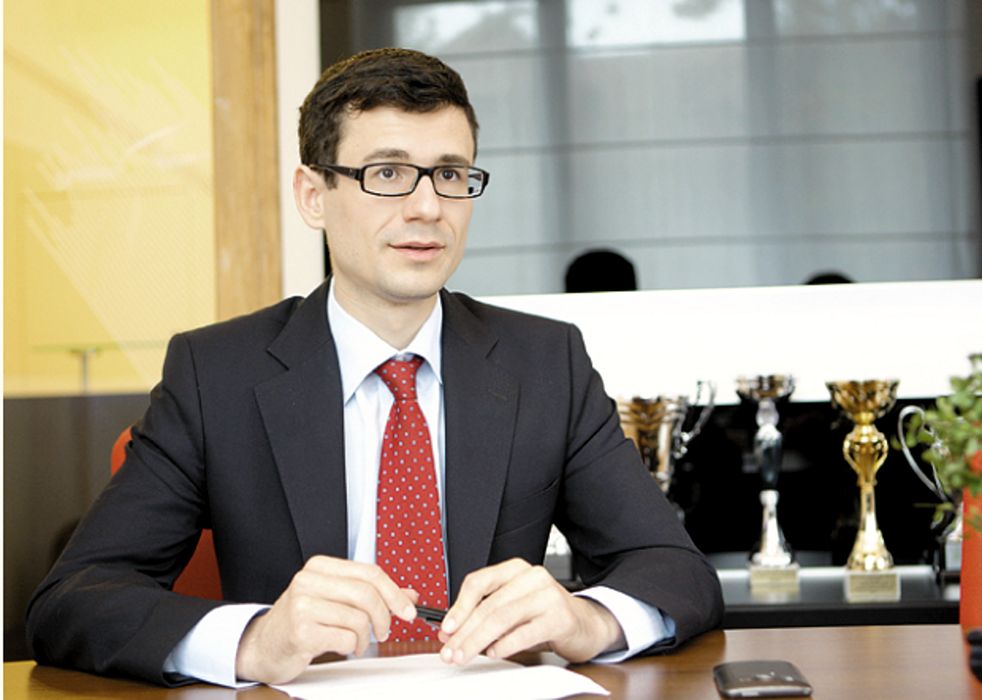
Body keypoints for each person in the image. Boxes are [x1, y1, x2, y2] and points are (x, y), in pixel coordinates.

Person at [26, 47, 722, 687]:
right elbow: (74, 600)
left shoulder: (546, 362)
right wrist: (255, 641)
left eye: (450, 174)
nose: (428, 208)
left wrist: (587, 621)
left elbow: (676, 571)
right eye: (387, 173)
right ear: (313, 195)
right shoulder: (217, 374)